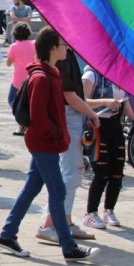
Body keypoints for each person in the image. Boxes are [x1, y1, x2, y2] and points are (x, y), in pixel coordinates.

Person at [0, 27, 101, 262]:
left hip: (45, 142)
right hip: (44, 143)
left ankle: (7, 234)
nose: (66, 48)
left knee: (32, 188)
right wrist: (55, 135)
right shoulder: (42, 77)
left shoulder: (49, 72)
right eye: (63, 45)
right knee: (58, 191)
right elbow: (38, 116)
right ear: (53, 48)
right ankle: (68, 246)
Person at [34, 39, 100, 243]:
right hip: (69, 116)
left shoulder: (67, 54)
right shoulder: (62, 56)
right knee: (71, 172)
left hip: (72, 116)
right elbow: (70, 96)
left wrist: (86, 114)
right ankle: (50, 224)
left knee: (72, 172)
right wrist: (91, 114)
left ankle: (65, 221)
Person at [80, 67, 127, 230]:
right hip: (97, 125)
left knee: (117, 171)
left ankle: (109, 210)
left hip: (115, 126)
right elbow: (81, 101)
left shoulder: (119, 76)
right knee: (101, 172)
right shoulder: (91, 75)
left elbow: (126, 106)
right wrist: (104, 102)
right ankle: (90, 213)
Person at [5, 23, 36, 136]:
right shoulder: (33, 45)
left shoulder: (14, 46)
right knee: (29, 101)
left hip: (18, 79)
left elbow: (8, 63)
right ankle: (23, 122)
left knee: (11, 100)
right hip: (31, 77)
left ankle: (22, 119)